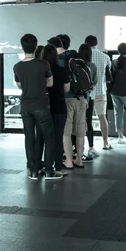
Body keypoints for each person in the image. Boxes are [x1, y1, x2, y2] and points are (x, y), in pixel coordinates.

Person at [14, 34, 59, 180]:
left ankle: (33, 170)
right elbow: (50, 83)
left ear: (22, 47)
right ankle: (49, 170)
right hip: (41, 106)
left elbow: (20, 85)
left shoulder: (17, 66)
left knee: (29, 138)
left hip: (25, 106)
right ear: (35, 47)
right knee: (49, 137)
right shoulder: (43, 64)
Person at [48, 36, 86, 169]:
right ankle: (79, 160)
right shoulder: (75, 56)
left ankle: (69, 161)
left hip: (67, 99)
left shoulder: (59, 60)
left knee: (66, 133)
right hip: (82, 98)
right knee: (80, 131)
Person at [40, 44, 69, 177]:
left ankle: (45, 166)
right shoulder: (61, 70)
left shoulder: (40, 70)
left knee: (45, 138)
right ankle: (57, 167)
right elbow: (67, 89)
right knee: (58, 138)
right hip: (60, 107)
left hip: (44, 108)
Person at [85, 35, 113, 151]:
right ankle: (105, 143)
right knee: (102, 117)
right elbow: (108, 74)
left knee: (87, 120)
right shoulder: (105, 57)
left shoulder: (84, 56)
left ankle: (88, 145)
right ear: (96, 43)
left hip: (87, 92)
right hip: (100, 91)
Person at [78, 44, 98, 161]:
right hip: (88, 97)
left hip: (77, 98)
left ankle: (78, 149)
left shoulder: (75, 64)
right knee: (88, 122)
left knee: (78, 123)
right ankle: (91, 147)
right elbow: (94, 82)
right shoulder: (92, 66)